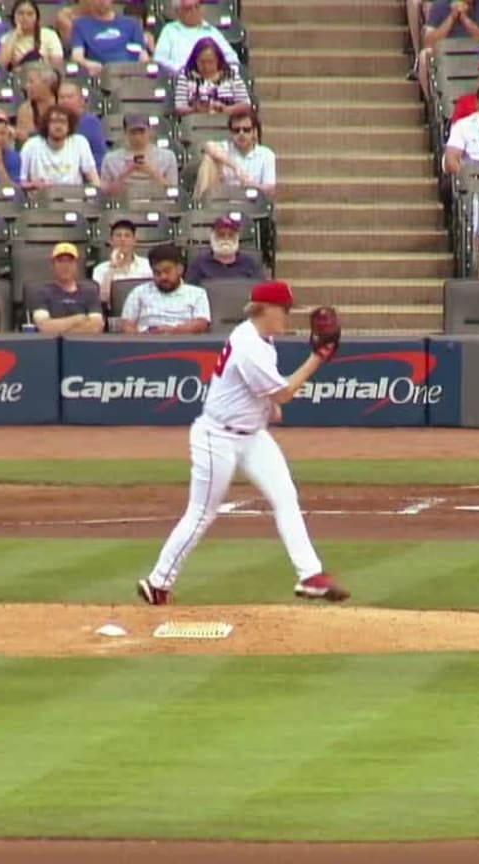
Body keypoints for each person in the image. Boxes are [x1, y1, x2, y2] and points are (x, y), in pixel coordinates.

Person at [137, 280, 348, 606]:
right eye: (284, 310)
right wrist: (316, 359)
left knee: (286, 497)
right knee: (201, 513)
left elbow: (261, 394)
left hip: (252, 435)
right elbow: (284, 393)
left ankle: (311, 576)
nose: (288, 317)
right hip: (217, 437)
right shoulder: (249, 344)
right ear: (265, 309)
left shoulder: (261, 337)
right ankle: (158, 581)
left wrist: (267, 407)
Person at [119, 244, 212, 334]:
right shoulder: (138, 292)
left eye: (167, 271)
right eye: (157, 273)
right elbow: (126, 325)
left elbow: (201, 324)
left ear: (180, 269)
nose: (163, 277)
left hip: (183, 342)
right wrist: (140, 336)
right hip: (146, 342)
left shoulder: (197, 293)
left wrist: (173, 331)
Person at [195, 107, 277, 201]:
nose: (241, 134)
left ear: (254, 132)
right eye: (236, 130)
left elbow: (271, 190)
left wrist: (251, 185)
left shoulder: (266, 154)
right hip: (224, 203)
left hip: (251, 203)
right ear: (231, 132)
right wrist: (235, 167)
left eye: (246, 130)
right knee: (208, 160)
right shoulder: (225, 147)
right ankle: (203, 207)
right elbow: (206, 146)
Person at [30, 242, 105, 334]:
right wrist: (78, 319)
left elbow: (96, 327)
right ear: (52, 265)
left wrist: (60, 328)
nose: (65, 266)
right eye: (61, 261)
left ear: (76, 265)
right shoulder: (41, 292)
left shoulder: (90, 292)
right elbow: (44, 327)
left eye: (70, 261)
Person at [100, 112, 180, 197]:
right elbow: (106, 195)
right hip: (124, 206)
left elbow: (173, 193)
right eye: (133, 132)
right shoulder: (110, 159)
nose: (137, 137)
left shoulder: (167, 157)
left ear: (150, 131)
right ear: (125, 132)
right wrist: (126, 173)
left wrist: (152, 172)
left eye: (142, 132)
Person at [20, 104, 101, 188]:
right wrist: (32, 185)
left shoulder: (80, 142)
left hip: (74, 198)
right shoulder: (31, 145)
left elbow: (93, 179)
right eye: (54, 121)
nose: (58, 126)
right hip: (42, 198)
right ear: (46, 124)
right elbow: (20, 182)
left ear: (69, 125)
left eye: (62, 122)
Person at [152, 0, 239, 74]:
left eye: (197, 6)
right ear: (178, 12)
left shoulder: (212, 31)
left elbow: (232, 59)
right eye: (188, 8)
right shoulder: (169, 31)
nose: (194, 11)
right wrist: (184, 71)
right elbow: (159, 60)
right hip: (180, 82)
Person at [174, 36, 251, 117]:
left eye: (210, 62)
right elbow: (179, 108)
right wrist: (195, 110)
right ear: (195, 60)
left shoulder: (231, 75)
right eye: (202, 62)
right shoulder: (186, 76)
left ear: (218, 60)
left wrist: (225, 109)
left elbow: (246, 105)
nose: (206, 66)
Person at [185, 215, 267, 285]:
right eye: (221, 235)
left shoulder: (250, 264)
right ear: (212, 237)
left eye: (231, 235)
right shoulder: (198, 264)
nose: (226, 239)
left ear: (237, 238)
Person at [68, 0, 145, 75]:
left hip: (129, 74)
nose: (102, 1)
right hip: (99, 75)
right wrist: (87, 64)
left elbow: (143, 56)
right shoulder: (81, 24)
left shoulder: (131, 24)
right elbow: (77, 56)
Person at [92, 217, 153, 309]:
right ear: (111, 241)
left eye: (127, 235)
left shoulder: (148, 266)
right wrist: (112, 268)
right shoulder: (100, 269)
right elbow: (103, 300)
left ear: (134, 241)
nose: (123, 239)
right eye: (118, 235)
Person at [0, 0, 64, 71]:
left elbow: (57, 64)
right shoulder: (7, 37)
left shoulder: (49, 34)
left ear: (37, 18)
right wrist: (14, 35)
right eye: (20, 13)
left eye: (30, 14)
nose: (25, 18)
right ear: (13, 16)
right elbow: (1, 65)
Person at [57, 79, 106, 167]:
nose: (65, 101)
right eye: (61, 97)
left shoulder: (91, 123)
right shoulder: (51, 122)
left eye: (69, 97)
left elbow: (99, 155)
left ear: (81, 100)